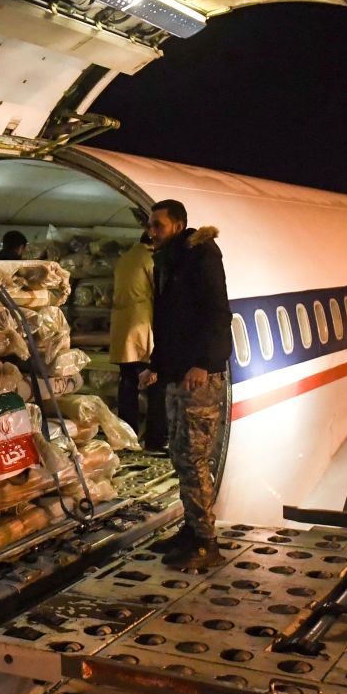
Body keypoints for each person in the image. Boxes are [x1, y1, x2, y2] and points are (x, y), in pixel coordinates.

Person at [140, 199, 232, 570]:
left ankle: (207, 543)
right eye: (150, 225)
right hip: (177, 375)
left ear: (178, 225)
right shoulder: (170, 262)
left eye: (158, 225)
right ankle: (191, 530)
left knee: (194, 459)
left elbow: (217, 313)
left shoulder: (200, 258)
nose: (151, 231)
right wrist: (156, 366)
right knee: (179, 455)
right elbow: (168, 322)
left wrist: (204, 363)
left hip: (198, 379)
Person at [108, 232, 165, 449]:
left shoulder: (126, 258)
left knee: (127, 385)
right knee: (154, 383)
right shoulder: (149, 259)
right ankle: (155, 439)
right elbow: (159, 290)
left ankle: (128, 436)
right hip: (141, 324)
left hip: (121, 326)